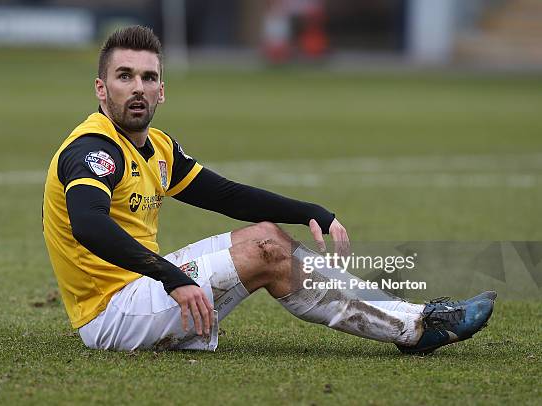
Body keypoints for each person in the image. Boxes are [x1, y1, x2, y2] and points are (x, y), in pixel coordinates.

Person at [42, 26, 495, 355]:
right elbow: (88, 224)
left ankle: (412, 320)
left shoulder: (156, 146)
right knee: (266, 251)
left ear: (163, 91)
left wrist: (308, 210)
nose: (137, 88)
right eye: (124, 76)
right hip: (111, 316)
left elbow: (226, 196)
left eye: (148, 77)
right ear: (102, 89)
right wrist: (174, 278)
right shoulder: (93, 149)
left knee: (269, 235)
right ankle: (416, 327)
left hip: (143, 287)